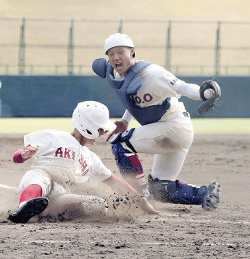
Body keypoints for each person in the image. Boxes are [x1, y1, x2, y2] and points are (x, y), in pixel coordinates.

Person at [92, 33, 221, 211]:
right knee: (161, 188)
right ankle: (206, 194)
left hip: (174, 127)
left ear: (132, 52)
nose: (115, 58)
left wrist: (204, 93)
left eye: (120, 52)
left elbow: (182, 87)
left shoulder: (152, 73)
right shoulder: (118, 76)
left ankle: (137, 197)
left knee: (120, 143)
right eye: (111, 54)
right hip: (170, 130)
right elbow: (136, 100)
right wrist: (125, 121)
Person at [8, 101, 159, 224]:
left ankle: (50, 214)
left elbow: (114, 182)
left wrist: (141, 200)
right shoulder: (54, 137)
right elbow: (17, 158)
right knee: (41, 179)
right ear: (87, 126)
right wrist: (23, 154)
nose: (102, 133)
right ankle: (24, 208)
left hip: (60, 196)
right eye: (100, 129)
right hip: (38, 181)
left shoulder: (91, 158)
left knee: (99, 204)